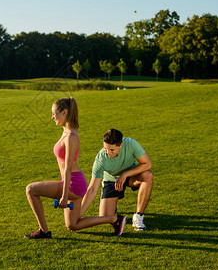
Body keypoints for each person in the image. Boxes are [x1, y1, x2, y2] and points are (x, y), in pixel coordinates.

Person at [25, 98, 126, 239]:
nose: (52, 117)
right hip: (73, 183)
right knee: (73, 225)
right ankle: (114, 219)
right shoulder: (66, 132)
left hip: (74, 184)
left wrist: (65, 196)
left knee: (31, 189)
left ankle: (44, 232)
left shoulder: (71, 137)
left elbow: (67, 169)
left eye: (55, 113)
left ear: (65, 112)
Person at [80, 128, 153, 231]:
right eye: (105, 148)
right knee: (104, 217)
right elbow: (92, 189)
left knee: (148, 175)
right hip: (111, 181)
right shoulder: (100, 159)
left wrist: (125, 174)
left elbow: (147, 164)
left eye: (112, 150)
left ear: (121, 145)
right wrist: (79, 214)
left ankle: (138, 216)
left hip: (130, 176)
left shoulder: (131, 144)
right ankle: (113, 206)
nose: (108, 152)